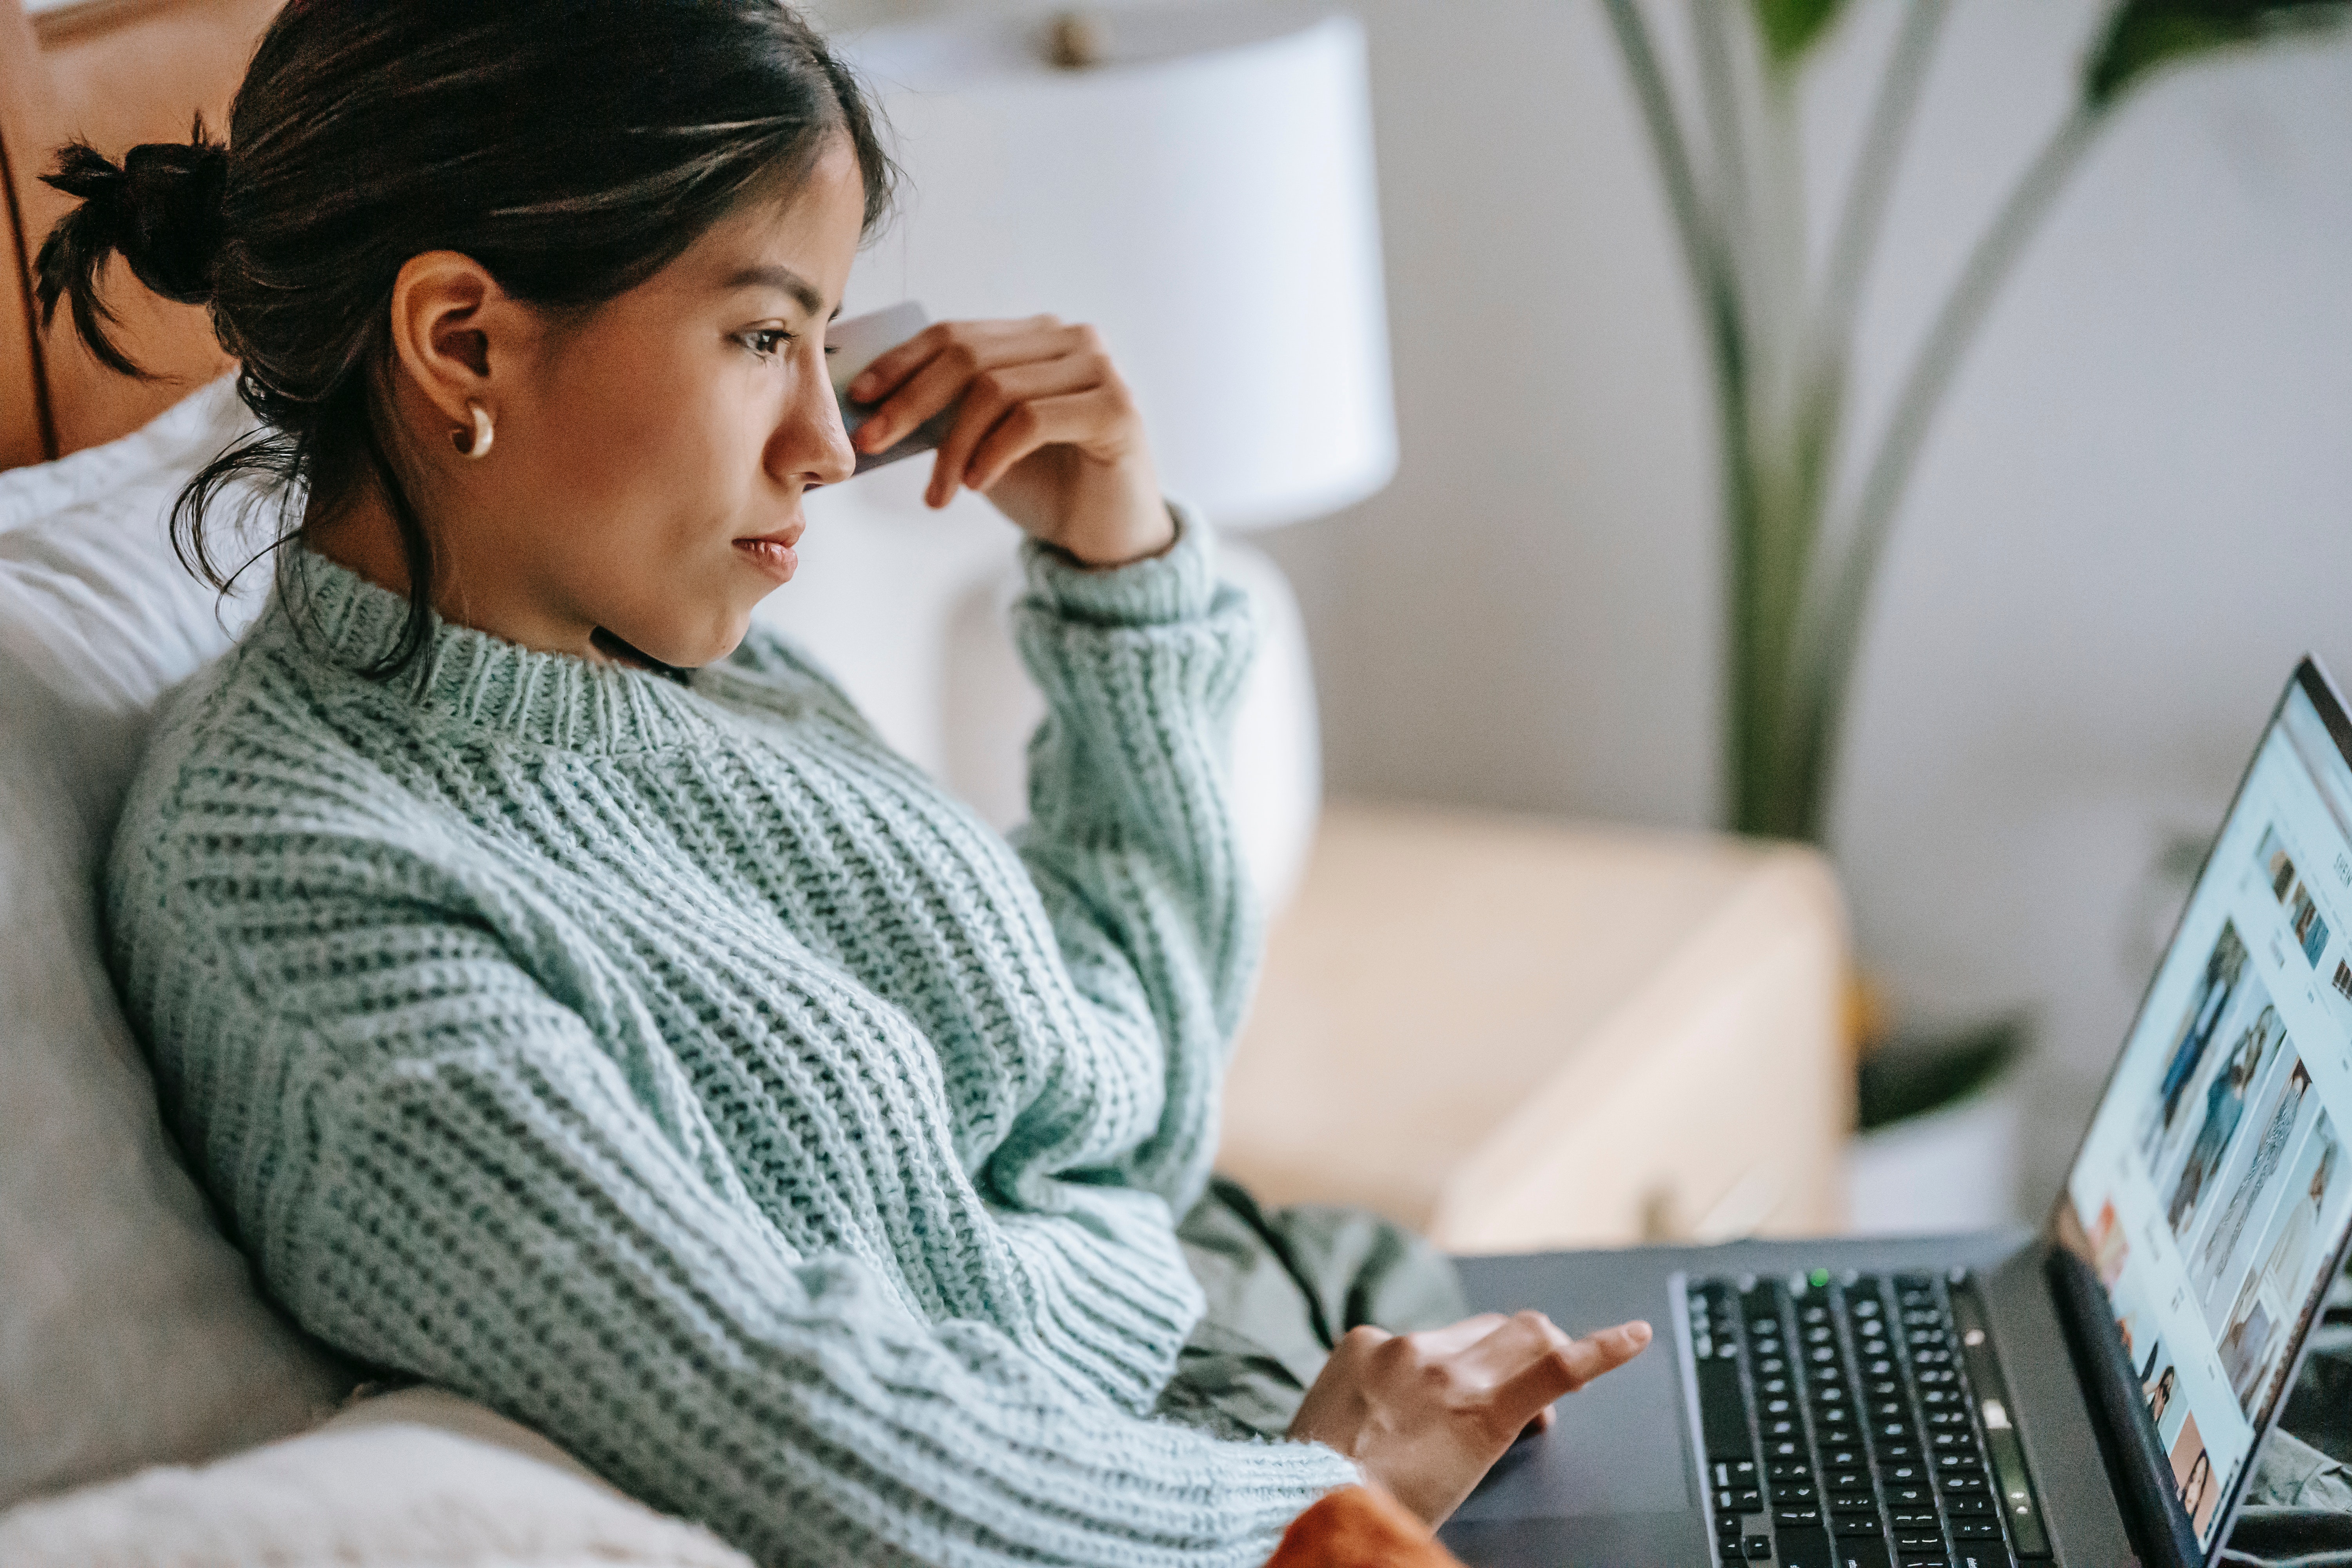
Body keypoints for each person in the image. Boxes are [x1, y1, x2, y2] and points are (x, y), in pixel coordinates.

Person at [36, 3, 1649, 1564]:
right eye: (758, 335)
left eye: (822, 335)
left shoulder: (690, 670)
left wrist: (1120, 574)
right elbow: (803, 1434)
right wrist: (1318, 1498)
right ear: (461, 339)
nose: (822, 438)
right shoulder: (291, 879)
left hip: (1263, 1327)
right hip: (1208, 1494)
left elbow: (1120, 1117)